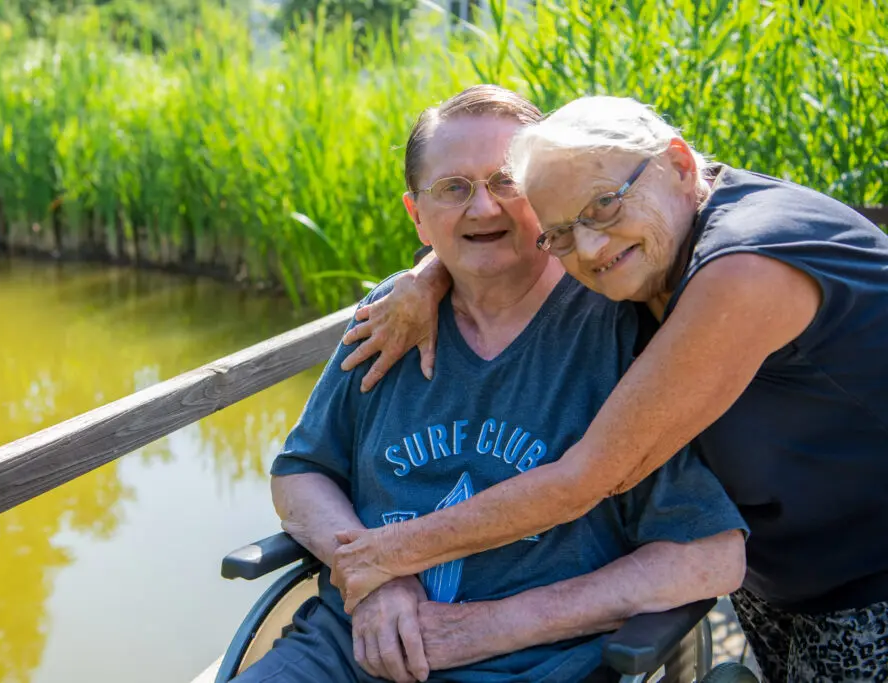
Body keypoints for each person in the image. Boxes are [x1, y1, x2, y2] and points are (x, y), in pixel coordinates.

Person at [332, 94, 888, 682]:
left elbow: (588, 480)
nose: (592, 248)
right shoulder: (659, 239)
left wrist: (382, 558)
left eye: (605, 205)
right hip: (784, 573)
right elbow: (511, 236)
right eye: (563, 233)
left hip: (871, 574)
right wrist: (430, 275)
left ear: (678, 164)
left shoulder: (744, 265)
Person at [233, 86, 747, 683]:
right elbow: (302, 472)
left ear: (545, 197)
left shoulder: (616, 323)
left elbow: (707, 556)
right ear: (417, 216)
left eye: (505, 182)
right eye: (453, 189)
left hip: (531, 665)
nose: (482, 210)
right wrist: (376, 580)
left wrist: (488, 626)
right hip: (348, 651)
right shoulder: (388, 319)